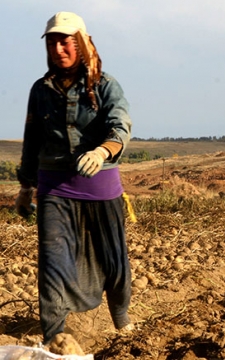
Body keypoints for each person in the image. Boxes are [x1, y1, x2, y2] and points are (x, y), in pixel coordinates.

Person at [14, 11, 133, 345]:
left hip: (100, 186)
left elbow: (120, 126)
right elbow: (32, 139)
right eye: (52, 42)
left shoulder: (105, 85)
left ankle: (122, 321)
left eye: (65, 41)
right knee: (53, 259)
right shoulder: (40, 90)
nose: (58, 49)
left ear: (80, 43)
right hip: (54, 187)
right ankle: (55, 336)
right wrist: (25, 187)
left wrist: (101, 152)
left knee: (115, 260)